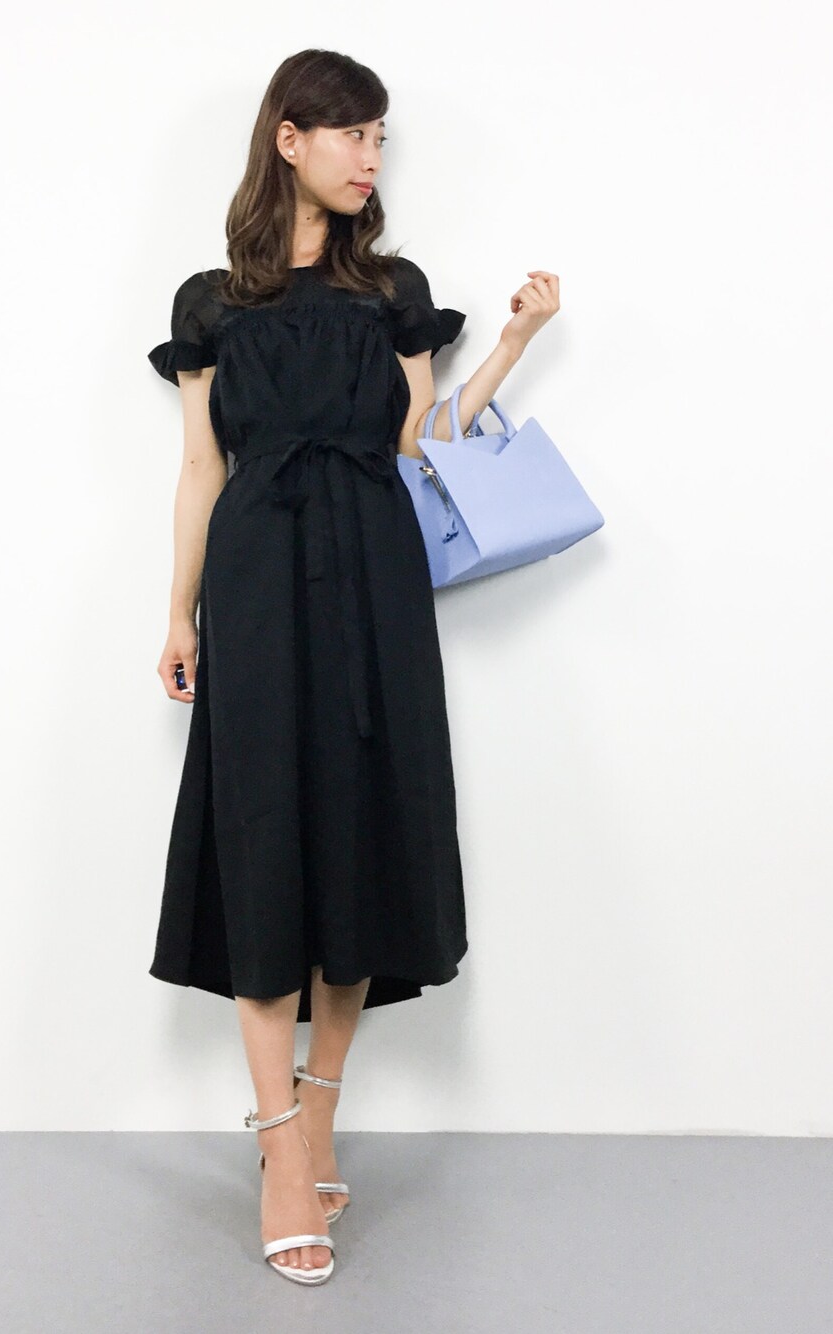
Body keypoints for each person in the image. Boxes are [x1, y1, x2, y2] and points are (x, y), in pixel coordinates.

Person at [146, 49, 560, 1286]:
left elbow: (421, 445)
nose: (372, 158)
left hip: (376, 580)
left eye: (381, 138)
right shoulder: (213, 302)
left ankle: (318, 1107)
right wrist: (178, 613)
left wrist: (514, 345)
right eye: (354, 135)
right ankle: (280, 1144)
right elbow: (202, 467)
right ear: (290, 139)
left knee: (362, 824)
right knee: (263, 831)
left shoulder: (392, 291)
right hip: (258, 579)